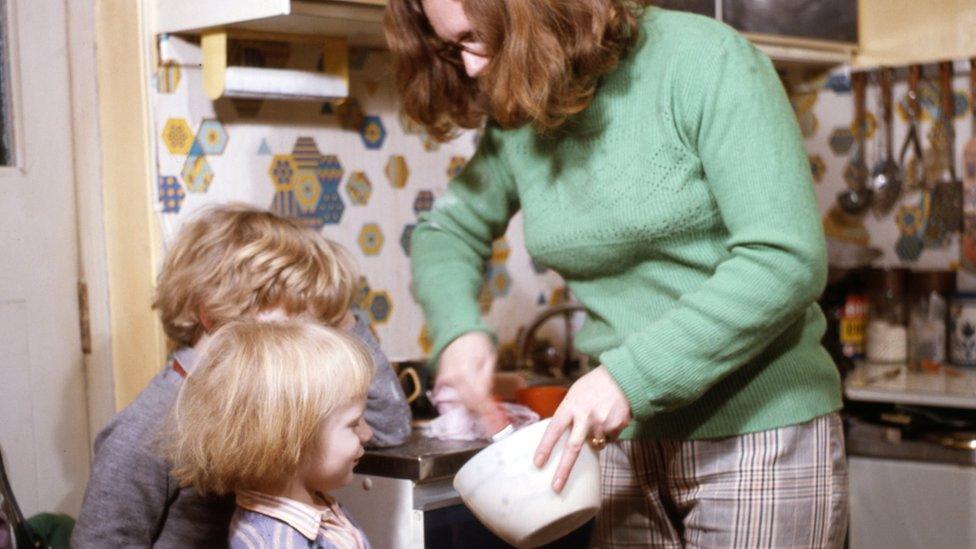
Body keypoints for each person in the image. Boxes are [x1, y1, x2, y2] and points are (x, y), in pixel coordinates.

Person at [387, 1, 848, 546]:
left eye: (478, 37)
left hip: (761, 434)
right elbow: (446, 232)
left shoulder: (706, 61)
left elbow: (784, 260)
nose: (470, 68)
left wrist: (629, 378)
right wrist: (458, 331)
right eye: (452, 47)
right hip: (619, 446)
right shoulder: (525, 106)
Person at [72, 204, 409, 547]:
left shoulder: (279, 398)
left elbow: (388, 425)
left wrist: (338, 316)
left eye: (316, 326)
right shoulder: (151, 423)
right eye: (293, 327)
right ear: (213, 313)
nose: (308, 340)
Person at [166, 320, 373, 548]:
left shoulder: (314, 505)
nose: (368, 433)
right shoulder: (275, 541)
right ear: (293, 439)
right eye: (354, 423)